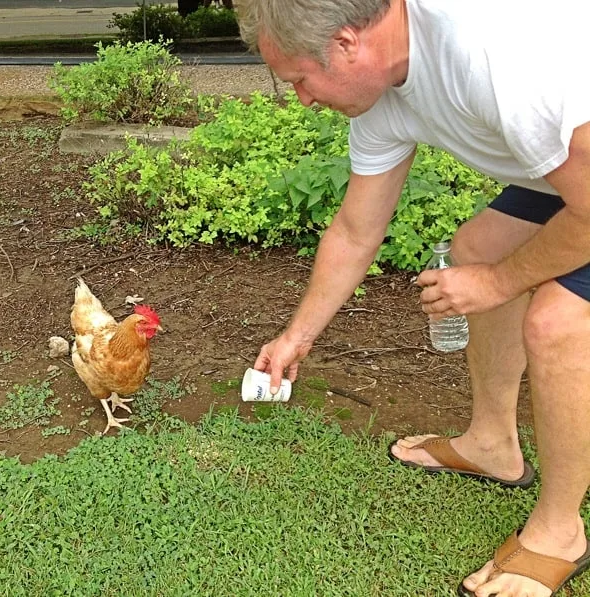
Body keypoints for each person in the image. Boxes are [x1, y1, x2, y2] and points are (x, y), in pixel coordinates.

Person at [236, 0, 590, 595]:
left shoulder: (497, 56)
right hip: (575, 169)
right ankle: (492, 445)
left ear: (348, 43)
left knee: (558, 322)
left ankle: (559, 533)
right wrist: (297, 335)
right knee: (479, 247)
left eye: (299, 79)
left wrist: (501, 283)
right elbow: (356, 229)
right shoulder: (383, 92)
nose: (301, 98)